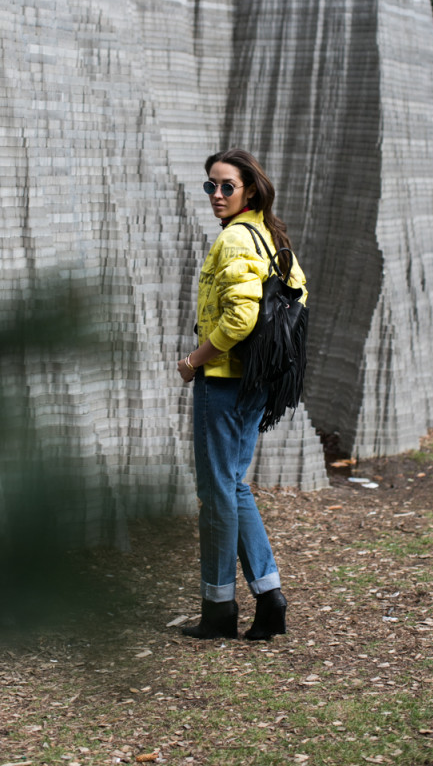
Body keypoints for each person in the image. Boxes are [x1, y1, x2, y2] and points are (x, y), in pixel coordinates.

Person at [177, 148, 307, 640]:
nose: (215, 195)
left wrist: (194, 361)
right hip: (258, 381)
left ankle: (219, 609)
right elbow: (298, 297)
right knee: (232, 486)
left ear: (248, 189)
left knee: (217, 493)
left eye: (226, 186)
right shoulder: (271, 236)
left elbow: (240, 318)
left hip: (227, 380)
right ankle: (269, 599)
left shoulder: (235, 239)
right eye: (209, 185)